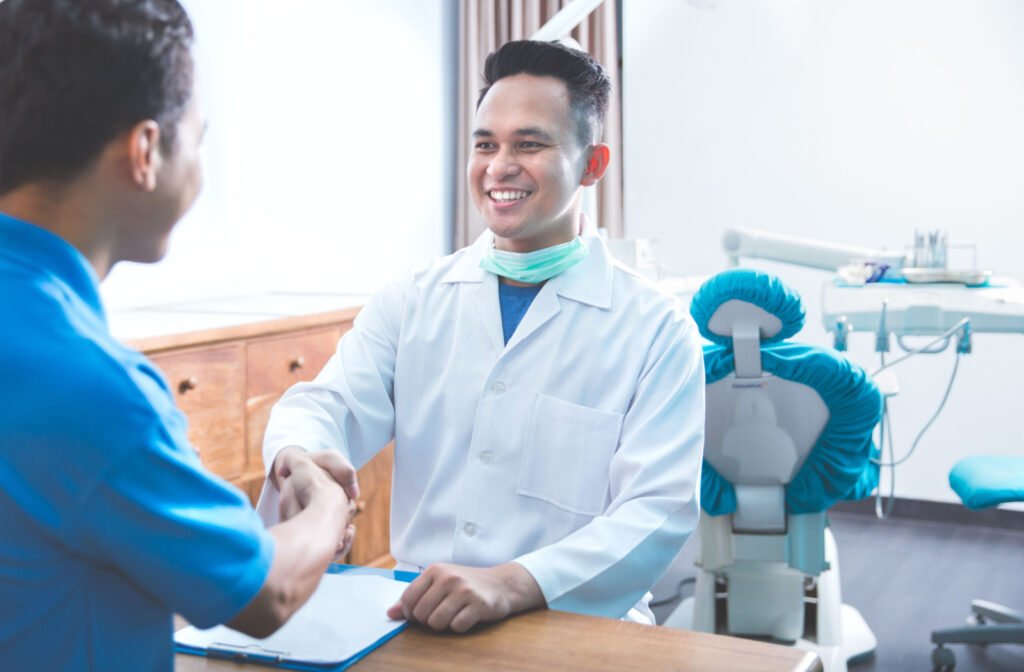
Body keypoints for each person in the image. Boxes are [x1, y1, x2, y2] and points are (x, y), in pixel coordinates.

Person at [258, 39, 705, 632]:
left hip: (578, 625)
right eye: (485, 144)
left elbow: (658, 511)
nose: (499, 166)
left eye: (529, 143)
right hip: (418, 615)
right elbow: (327, 406)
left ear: (593, 165)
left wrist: (511, 583)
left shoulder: (655, 327)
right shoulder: (415, 298)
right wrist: (300, 459)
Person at [0, 2, 356, 670]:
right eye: (198, 138)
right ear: (145, 151)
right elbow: (266, 594)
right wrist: (330, 503)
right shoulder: (90, 384)